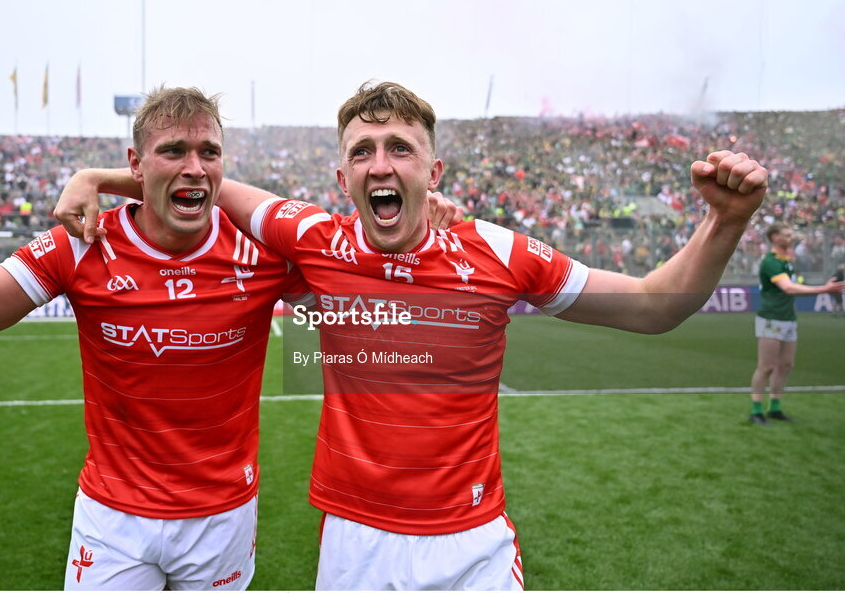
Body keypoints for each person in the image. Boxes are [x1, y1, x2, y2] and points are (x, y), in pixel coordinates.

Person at [55, 81, 771, 591]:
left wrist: (724, 223)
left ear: (434, 171)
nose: (381, 164)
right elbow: (192, 179)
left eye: (400, 147)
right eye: (363, 150)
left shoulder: (498, 251)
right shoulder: (312, 237)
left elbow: (652, 305)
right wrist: (96, 176)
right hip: (356, 544)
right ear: (343, 176)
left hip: (473, 545)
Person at [0, 86, 304, 590]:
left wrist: (427, 232)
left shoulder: (262, 252)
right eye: (173, 150)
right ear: (136, 163)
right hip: (112, 520)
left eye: (209, 152)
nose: (195, 167)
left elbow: (372, 308)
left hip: (222, 517)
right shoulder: (82, 244)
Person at [749, 223, 845, 425]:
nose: (791, 237)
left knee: (786, 365)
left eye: (791, 234)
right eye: (786, 234)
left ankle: (775, 407)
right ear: (774, 237)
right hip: (771, 318)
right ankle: (756, 410)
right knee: (766, 367)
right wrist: (823, 289)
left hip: (787, 318)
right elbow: (788, 288)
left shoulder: (787, 260)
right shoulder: (771, 262)